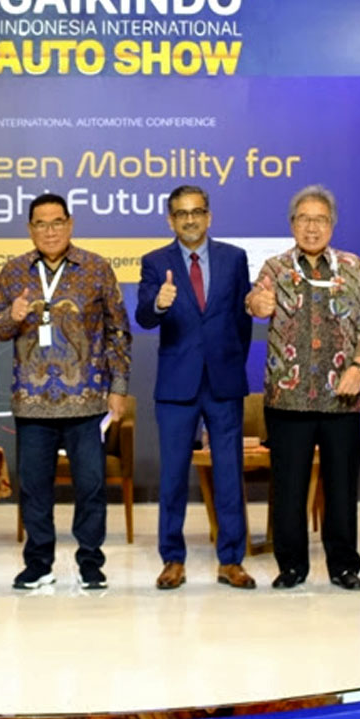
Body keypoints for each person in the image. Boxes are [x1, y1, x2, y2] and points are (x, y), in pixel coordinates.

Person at [0, 193, 130, 591]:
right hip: (32, 404)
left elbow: (118, 331)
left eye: (57, 222)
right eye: (40, 224)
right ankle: (38, 563)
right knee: (34, 488)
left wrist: (118, 387)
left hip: (87, 401)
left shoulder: (96, 268)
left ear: (70, 224)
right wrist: (11, 316)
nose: (49, 231)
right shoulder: (14, 271)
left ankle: (90, 563)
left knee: (91, 487)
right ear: (29, 228)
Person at [248, 186, 360, 591]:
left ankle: (344, 566)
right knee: (288, 489)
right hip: (288, 398)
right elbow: (255, 301)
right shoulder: (275, 268)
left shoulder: (353, 267)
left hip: (342, 397)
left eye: (320, 219)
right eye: (304, 219)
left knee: (341, 488)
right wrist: (257, 304)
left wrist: (359, 366)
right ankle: (291, 567)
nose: (312, 227)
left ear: (332, 225)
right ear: (292, 224)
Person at [134, 185, 254, 591]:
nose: (190, 219)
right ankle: (172, 559)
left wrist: (232, 363)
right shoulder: (155, 262)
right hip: (176, 386)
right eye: (182, 213)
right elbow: (145, 317)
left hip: (223, 382)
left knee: (228, 475)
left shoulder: (234, 258)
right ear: (171, 220)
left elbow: (241, 321)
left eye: (197, 211)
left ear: (209, 216)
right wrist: (160, 303)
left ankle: (231, 561)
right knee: (172, 477)